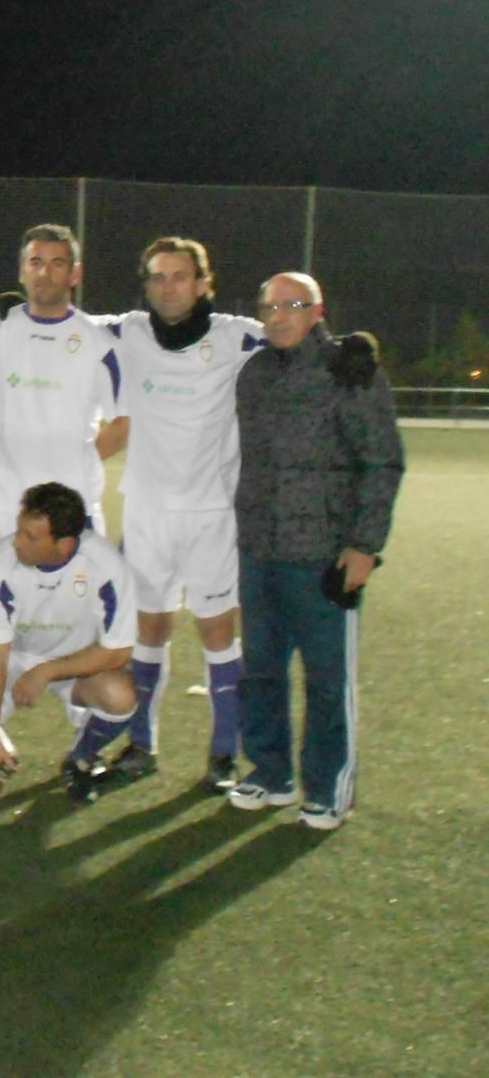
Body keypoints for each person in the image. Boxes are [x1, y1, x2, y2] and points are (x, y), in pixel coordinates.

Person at [86, 237, 267, 791]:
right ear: (147, 286)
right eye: (158, 277)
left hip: (212, 513)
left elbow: (293, 339)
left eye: (180, 276)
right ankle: (143, 745)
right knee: (150, 631)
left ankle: (222, 754)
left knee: (217, 633)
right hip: (146, 511)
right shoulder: (127, 332)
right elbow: (58, 327)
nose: (169, 287)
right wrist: (5, 320)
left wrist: (342, 348)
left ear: (203, 283)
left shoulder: (237, 337)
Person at [228, 272, 403, 831]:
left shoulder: (348, 370)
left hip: (324, 558)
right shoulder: (253, 374)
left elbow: (383, 461)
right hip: (259, 551)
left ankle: (328, 788)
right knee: (261, 672)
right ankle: (270, 773)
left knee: (328, 680)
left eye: (293, 305)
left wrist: (364, 547)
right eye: (269, 306)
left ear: (318, 309)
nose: (278, 316)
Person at [0, 482, 139, 803]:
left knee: (120, 696)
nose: (16, 542)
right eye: (19, 531)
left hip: (76, 662)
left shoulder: (106, 565)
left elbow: (119, 650)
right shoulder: (0, 563)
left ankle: (80, 758)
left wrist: (47, 671)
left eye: (31, 537)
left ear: (65, 544)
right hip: (16, 657)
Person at [0, 224, 125, 541]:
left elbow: (123, 421)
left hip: (72, 507)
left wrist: (77, 462)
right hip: (3, 508)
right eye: (35, 262)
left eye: (57, 263)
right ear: (22, 271)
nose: (44, 272)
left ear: (74, 274)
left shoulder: (100, 343)